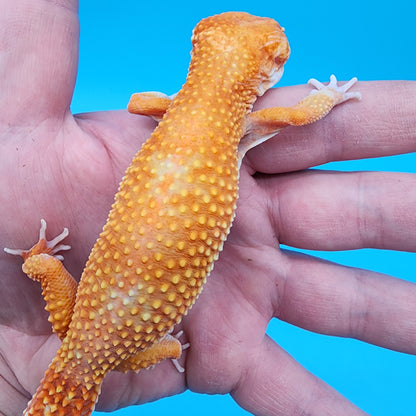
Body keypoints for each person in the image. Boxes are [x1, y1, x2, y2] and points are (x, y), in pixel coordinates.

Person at [1, 1, 415, 415]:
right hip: (100, 326)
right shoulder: (241, 124)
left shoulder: (176, 109)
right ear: (265, 72)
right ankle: (42, 264)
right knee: (150, 342)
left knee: (149, 339)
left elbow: (136, 101)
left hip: (97, 321)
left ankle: (38, 260)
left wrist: (184, 103)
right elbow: (300, 114)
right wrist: (331, 95)